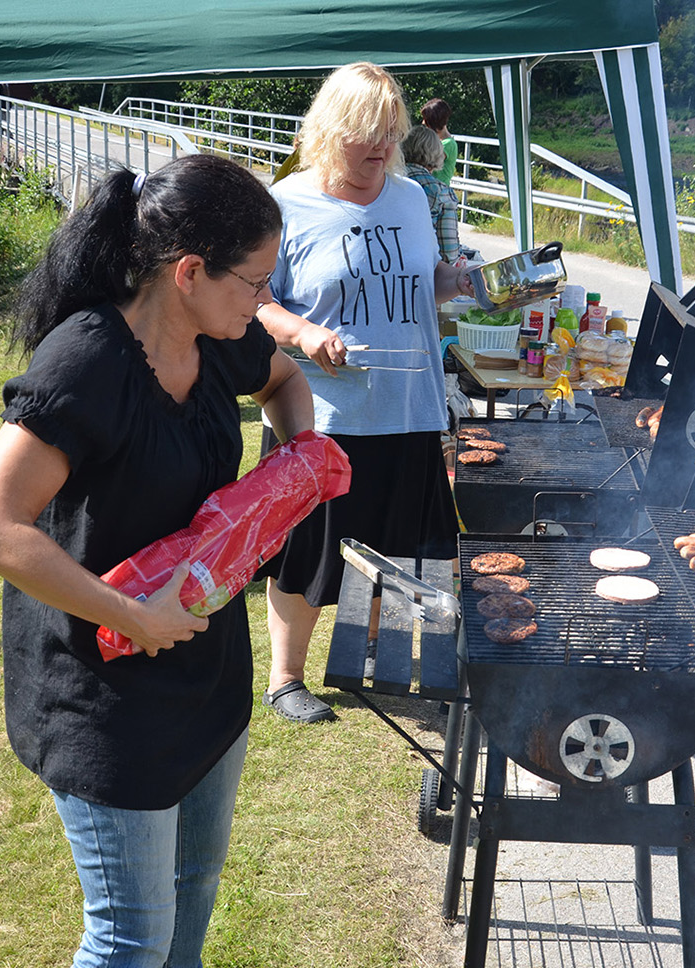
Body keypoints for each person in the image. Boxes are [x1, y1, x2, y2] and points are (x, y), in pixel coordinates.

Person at [0, 155, 314, 968]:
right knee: (128, 947)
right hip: (105, 699)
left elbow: (288, 376)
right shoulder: (87, 362)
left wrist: (292, 471)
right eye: (254, 283)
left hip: (207, 680)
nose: (263, 302)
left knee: (188, 918)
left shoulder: (220, 341)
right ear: (188, 272)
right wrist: (133, 611)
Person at [255, 62, 472, 723]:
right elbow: (253, 298)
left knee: (397, 544)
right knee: (309, 549)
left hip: (408, 407)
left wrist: (454, 282)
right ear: (328, 130)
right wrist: (303, 333)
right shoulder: (286, 204)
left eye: (389, 133)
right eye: (364, 134)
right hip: (323, 412)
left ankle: (372, 657)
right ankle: (286, 677)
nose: (379, 148)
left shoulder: (408, 197)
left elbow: (419, 284)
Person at [401, 124, 463, 263]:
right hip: (422, 270)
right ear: (437, 153)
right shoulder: (442, 192)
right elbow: (449, 254)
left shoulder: (384, 181)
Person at [420, 96, 458, 185]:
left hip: (439, 192)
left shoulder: (448, 144)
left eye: (426, 120)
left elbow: (429, 165)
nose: (423, 122)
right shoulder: (436, 141)